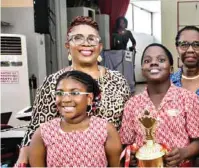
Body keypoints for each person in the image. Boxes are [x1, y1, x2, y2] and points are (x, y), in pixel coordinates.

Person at [16, 16, 130, 166]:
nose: (85, 43)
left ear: (100, 46)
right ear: (67, 46)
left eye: (91, 39)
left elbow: (130, 121)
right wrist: (23, 157)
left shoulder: (118, 81)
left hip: (115, 157)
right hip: (64, 159)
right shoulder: (53, 82)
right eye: (78, 38)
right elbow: (36, 128)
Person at [120, 43, 199, 167]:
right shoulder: (132, 105)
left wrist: (183, 153)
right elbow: (127, 143)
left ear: (171, 69)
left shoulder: (189, 99)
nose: (153, 63)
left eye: (161, 60)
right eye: (147, 60)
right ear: (142, 69)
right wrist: (131, 157)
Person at [29, 71, 122, 167]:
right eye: (60, 93)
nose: (66, 99)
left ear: (89, 98)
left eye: (74, 93)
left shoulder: (105, 130)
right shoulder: (43, 133)